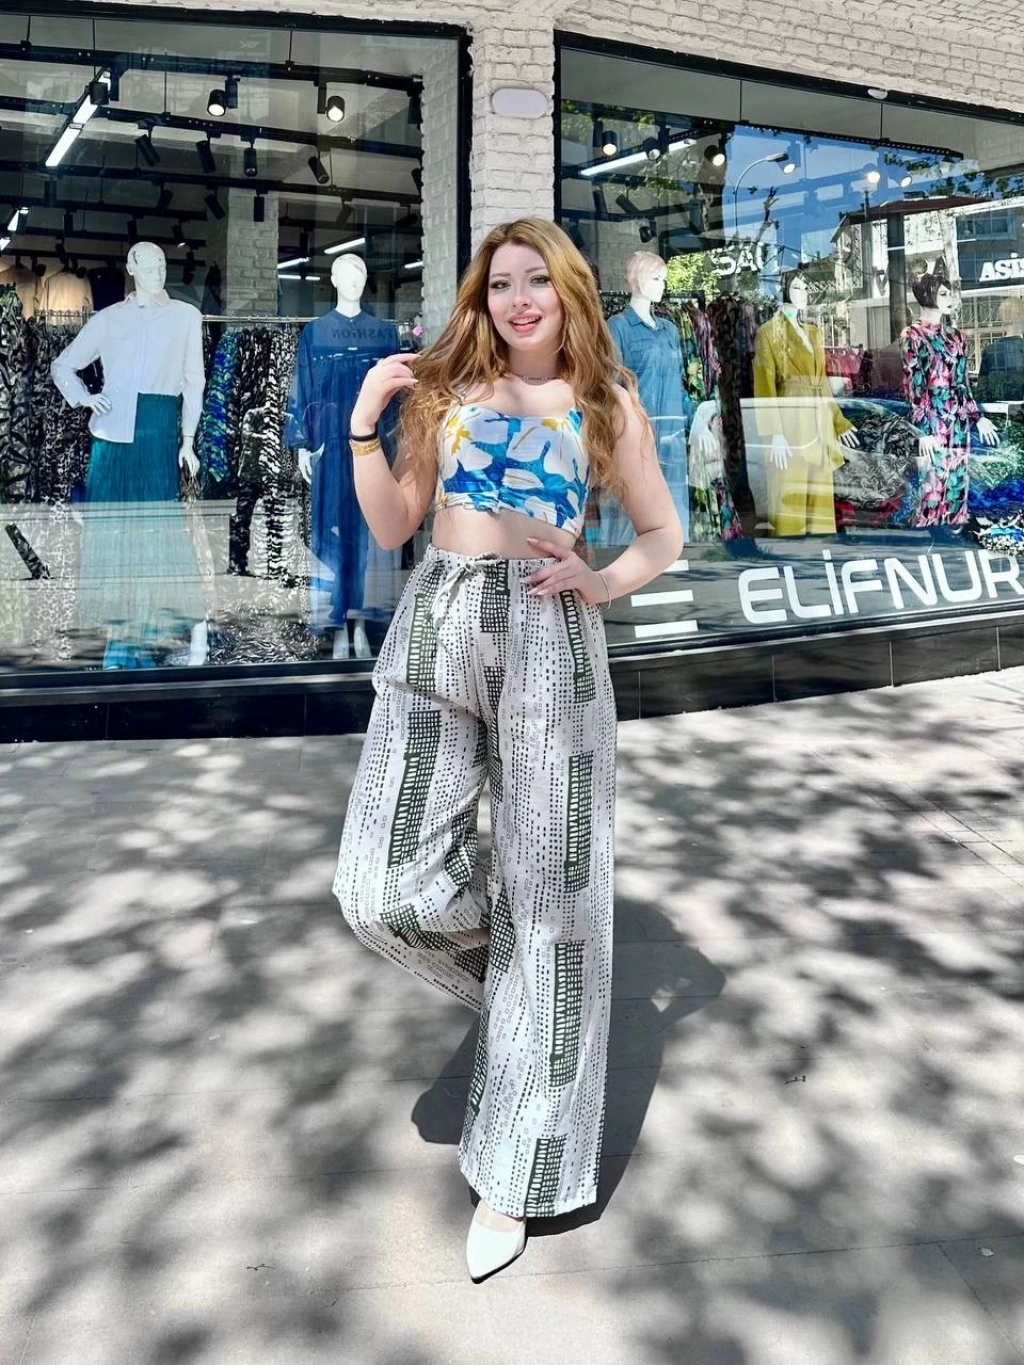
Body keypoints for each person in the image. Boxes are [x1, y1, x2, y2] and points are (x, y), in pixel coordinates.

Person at [332, 217, 682, 1282]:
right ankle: (539, 998)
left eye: (537, 281)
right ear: (481, 299)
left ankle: (519, 1168)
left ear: (568, 291)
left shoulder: (606, 401)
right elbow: (393, 524)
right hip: (439, 618)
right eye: (499, 285)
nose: (518, 300)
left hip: (548, 632)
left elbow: (662, 534)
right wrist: (363, 427)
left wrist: (600, 580)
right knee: (379, 886)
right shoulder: (446, 391)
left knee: (555, 900)